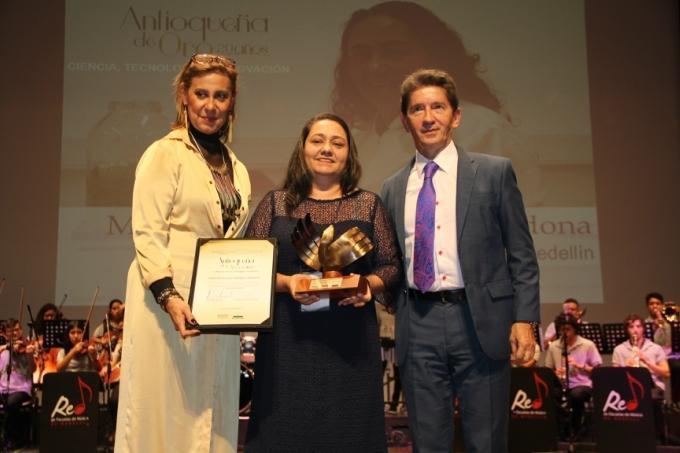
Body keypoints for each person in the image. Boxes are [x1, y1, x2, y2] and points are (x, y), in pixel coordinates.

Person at [380, 69, 539, 452]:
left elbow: (522, 254)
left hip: (481, 321)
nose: (428, 117)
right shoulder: (392, 187)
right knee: (428, 442)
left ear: (457, 115)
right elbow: (389, 263)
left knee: (486, 441)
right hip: (418, 325)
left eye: (438, 106)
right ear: (405, 120)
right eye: (418, 109)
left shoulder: (494, 172)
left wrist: (524, 318)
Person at [115, 53, 251, 453]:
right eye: (201, 94)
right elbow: (147, 231)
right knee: (163, 408)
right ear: (184, 97)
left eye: (221, 96)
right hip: (164, 302)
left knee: (211, 402)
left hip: (216, 304)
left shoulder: (236, 166)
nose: (211, 105)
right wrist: (168, 296)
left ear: (232, 102)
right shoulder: (164, 153)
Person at [244, 113, 402, 452]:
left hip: (351, 348)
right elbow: (249, 267)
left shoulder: (369, 205)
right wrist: (288, 283)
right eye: (317, 140)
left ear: (349, 153)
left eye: (337, 142)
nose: (326, 149)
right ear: (303, 148)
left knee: (350, 436)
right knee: (283, 434)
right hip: (287, 346)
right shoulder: (275, 204)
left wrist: (367, 286)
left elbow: (390, 268)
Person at [332, 1, 543, 203]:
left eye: (394, 52)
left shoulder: (483, 130)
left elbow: (522, 225)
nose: (375, 67)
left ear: (433, 56)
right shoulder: (353, 144)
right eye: (361, 55)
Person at [545, 313, 602, 440]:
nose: (564, 333)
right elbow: (548, 369)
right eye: (561, 329)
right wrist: (556, 372)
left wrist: (580, 366)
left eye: (567, 329)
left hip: (582, 384)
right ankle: (561, 428)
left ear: (575, 329)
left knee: (576, 395)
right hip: (562, 384)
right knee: (547, 395)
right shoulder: (554, 346)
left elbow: (598, 371)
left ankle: (576, 427)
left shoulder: (588, 345)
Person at [0, 319, 35, 449]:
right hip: (3, 388)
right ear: (5, 334)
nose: (15, 332)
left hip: (22, 388)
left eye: (17, 329)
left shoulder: (26, 347)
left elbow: (33, 369)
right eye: (11, 330)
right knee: (7, 401)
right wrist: (7, 347)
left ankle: (12, 438)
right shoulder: (4, 351)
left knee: (11, 403)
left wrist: (30, 355)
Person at [612, 314, 669, 392]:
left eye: (638, 326)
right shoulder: (619, 350)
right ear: (627, 330)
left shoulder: (656, 348)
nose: (635, 330)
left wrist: (648, 362)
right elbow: (613, 376)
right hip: (628, 388)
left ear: (643, 329)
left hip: (653, 389)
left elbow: (666, 373)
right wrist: (625, 368)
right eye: (631, 327)